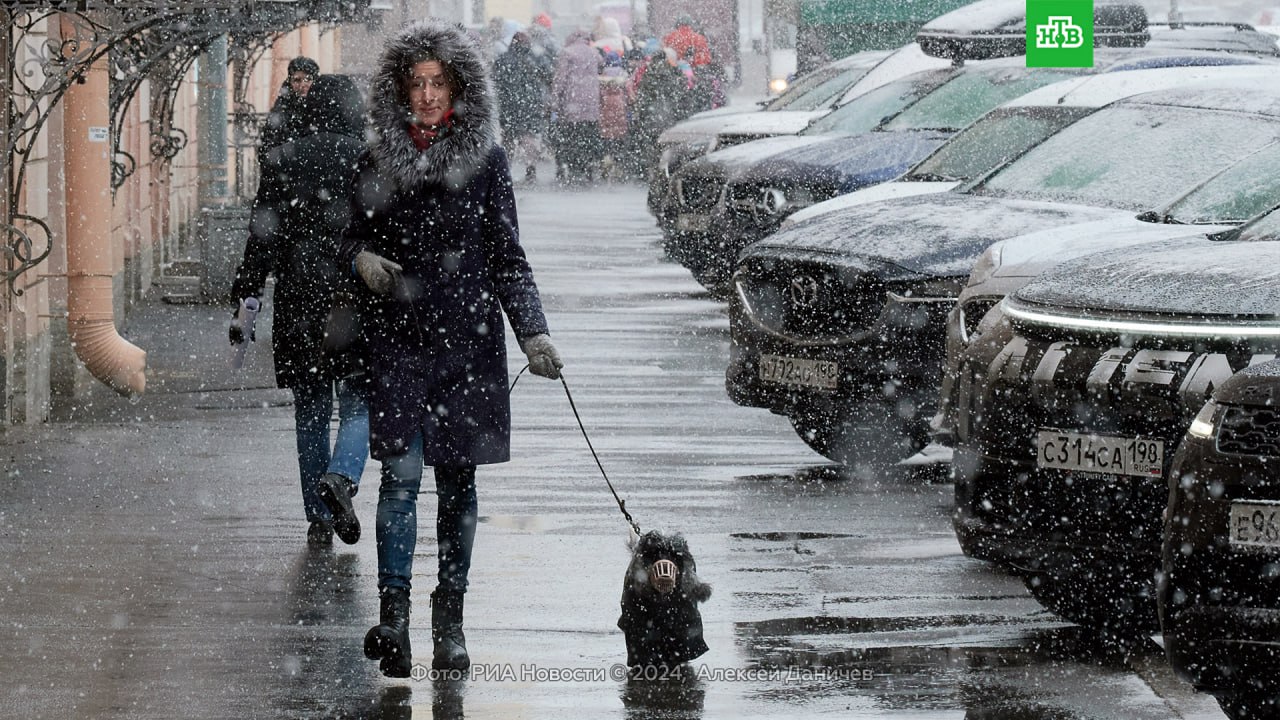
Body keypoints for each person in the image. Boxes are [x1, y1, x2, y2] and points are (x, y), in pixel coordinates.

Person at [335, 20, 563, 678]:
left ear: (459, 87)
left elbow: (507, 259)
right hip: (400, 343)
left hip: (466, 347)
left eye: (439, 83)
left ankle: (451, 618)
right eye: (417, 83)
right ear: (401, 89)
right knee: (400, 483)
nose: (429, 95)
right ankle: (395, 619)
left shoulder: (487, 162)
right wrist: (363, 261)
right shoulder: (377, 159)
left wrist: (534, 331)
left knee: (458, 490)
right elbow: (344, 237)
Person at [230, 74, 371, 548]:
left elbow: (261, 233)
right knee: (358, 400)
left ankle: (318, 515)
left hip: (297, 297)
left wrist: (248, 293)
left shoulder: (284, 157)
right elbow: (389, 231)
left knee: (310, 409)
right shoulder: (367, 158)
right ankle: (342, 476)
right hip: (352, 297)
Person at [493, 31, 552, 183]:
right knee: (529, 138)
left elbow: (496, 80)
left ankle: (504, 170)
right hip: (531, 105)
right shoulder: (535, 58)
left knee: (508, 139)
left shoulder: (504, 59)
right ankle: (530, 169)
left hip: (509, 106)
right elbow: (548, 75)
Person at [551, 29, 604, 184]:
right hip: (591, 105)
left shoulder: (567, 53)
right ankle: (587, 166)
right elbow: (602, 63)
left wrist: (554, 100)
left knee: (570, 137)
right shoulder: (594, 53)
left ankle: (572, 167)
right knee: (587, 136)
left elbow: (560, 79)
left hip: (571, 104)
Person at [261, 56, 319, 153]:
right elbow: (268, 147)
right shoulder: (281, 109)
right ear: (290, 82)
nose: (302, 85)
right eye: (297, 80)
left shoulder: (323, 107)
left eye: (308, 79)